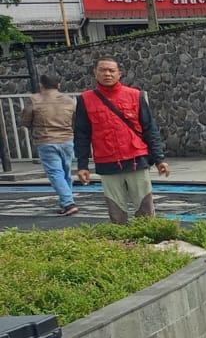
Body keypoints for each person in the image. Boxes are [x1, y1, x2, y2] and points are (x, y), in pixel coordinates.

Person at [73, 57, 169, 223]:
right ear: (95, 73)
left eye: (111, 70)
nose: (107, 74)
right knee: (116, 212)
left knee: (145, 209)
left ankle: (147, 242)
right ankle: (122, 243)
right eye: (103, 70)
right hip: (107, 162)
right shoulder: (85, 100)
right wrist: (82, 165)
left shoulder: (135, 95)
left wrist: (159, 159)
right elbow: (81, 134)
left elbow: (149, 129)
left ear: (119, 74)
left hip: (136, 160)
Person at [20, 73, 78, 216]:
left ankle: (68, 202)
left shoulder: (34, 99)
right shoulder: (69, 100)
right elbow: (75, 121)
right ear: (59, 85)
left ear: (41, 85)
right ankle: (66, 201)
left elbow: (26, 120)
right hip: (67, 139)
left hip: (46, 140)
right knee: (66, 172)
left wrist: (29, 126)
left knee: (55, 172)